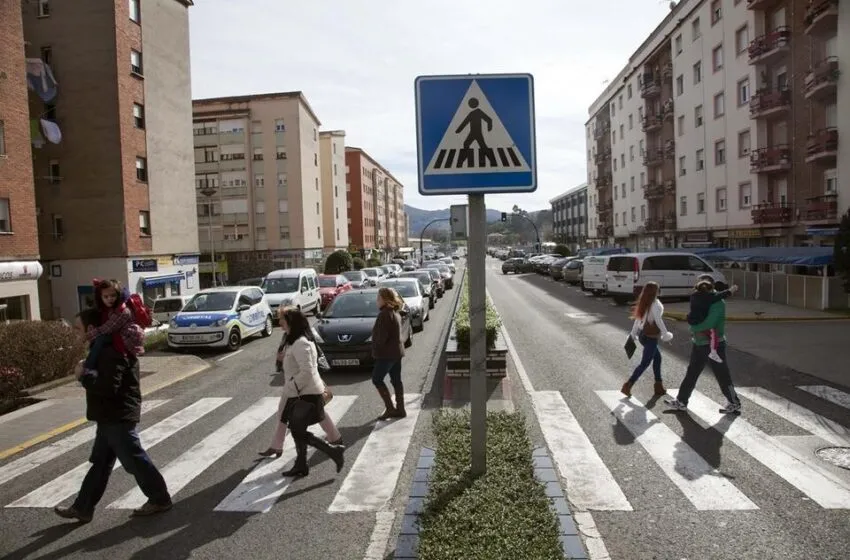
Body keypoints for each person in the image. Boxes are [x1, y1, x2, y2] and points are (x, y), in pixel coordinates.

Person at [54, 308, 172, 523]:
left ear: (91, 329)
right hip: (108, 415)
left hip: (118, 415)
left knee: (133, 459)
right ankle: (83, 507)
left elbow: (109, 387)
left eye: (77, 328)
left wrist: (83, 377)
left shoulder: (110, 350)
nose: (74, 332)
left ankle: (160, 498)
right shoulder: (102, 347)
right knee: (100, 463)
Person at [260, 307, 344, 458]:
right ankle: (278, 447)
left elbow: (307, 370)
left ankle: (330, 445)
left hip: (303, 389)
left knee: (301, 423)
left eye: (282, 319)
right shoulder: (289, 337)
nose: (279, 323)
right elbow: (290, 360)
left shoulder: (301, 342)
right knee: (288, 415)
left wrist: (292, 386)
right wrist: (281, 359)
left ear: (291, 322)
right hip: (296, 387)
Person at [665, 275, 742, 414]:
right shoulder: (700, 299)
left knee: (722, 374)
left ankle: (734, 402)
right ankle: (682, 401)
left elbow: (710, 323)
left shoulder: (718, 303)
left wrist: (693, 328)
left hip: (714, 345)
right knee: (692, 373)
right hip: (699, 343)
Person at [82, 279, 145, 377]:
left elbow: (108, 328)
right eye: (106, 297)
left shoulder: (122, 311)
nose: (109, 299)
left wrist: (87, 336)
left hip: (123, 345)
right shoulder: (105, 309)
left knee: (100, 339)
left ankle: (89, 367)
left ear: (118, 295)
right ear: (100, 297)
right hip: (115, 347)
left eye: (113, 296)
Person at [621, 281, 673, 398]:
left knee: (658, 358)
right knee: (645, 363)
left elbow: (637, 320)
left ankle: (658, 385)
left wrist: (633, 335)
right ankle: (628, 385)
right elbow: (659, 321)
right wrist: (666, 334)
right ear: (656, 292)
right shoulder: (655, 304)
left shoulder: (645, 302)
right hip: (650, 337)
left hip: (643, 335)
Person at [371, 287, 406, 420]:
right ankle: (400, 409)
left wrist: (375, 350)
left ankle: (391, 408)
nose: (376, 301)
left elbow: (381, 338)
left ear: (384, 299)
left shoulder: (384, 314)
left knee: (377, 379)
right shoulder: (394, 312)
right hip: (396, 352)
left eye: (378, 298)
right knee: (396, 380)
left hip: (386, 354)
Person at [687, 281, 737, 363]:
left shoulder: (693, 296)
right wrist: (731, 290)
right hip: (700, 320)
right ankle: (713, 353)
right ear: (710, 290)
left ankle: (696, 336)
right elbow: (721, 295)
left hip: (691, 319)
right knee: (714, 335)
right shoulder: (709, 297)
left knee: (695, 366)